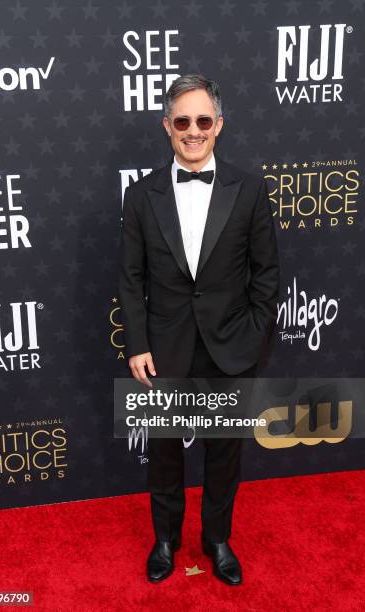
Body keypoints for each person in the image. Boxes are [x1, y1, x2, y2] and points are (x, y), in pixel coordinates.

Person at [118, 74, 279, 585]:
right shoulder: (141, 195)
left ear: (219, 126)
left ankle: (217, 540)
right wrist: (138, 344)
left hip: (231, 347)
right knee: (163, 453)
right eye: (182, 121)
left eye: (203, 120)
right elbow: (130, 277)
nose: (193, 130)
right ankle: (165, 540)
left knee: (224, 453)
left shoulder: (249, 189)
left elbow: (266, 273)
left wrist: (252, 334)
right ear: (167, 127)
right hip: (164, 351)